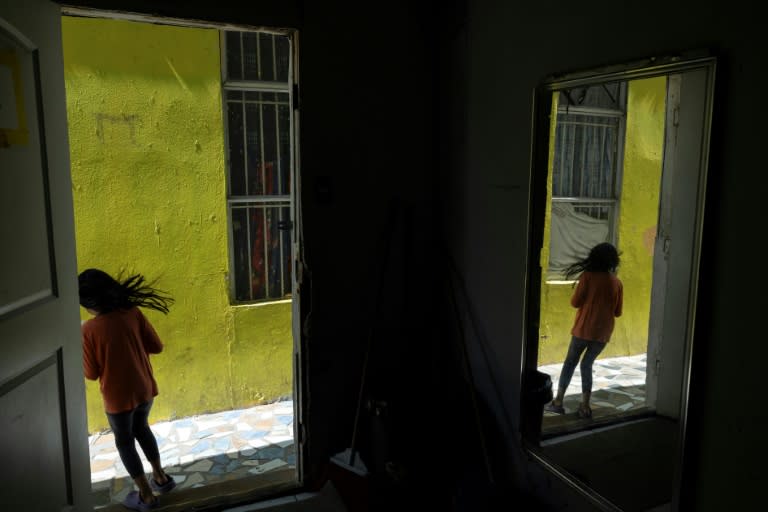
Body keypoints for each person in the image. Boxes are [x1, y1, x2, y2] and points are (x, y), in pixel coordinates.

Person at [79, 268, 177, 511]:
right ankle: (161, 477)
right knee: (142, 429)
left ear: (89, 303)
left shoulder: (88, 330)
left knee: (125, 442)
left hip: (117, 399)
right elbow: (156, 346)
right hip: (144, 390)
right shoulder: (133, 313)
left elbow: (90, 374)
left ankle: (146, 495)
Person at [545, 242, 623, 419]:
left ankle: (558, 402)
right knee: (587, 365)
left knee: (570, 363)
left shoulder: (587, 277)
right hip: (603, 334)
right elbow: (617, 312)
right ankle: (585, 406)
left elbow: (575, 302)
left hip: (583, 330)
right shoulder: (617, 282)